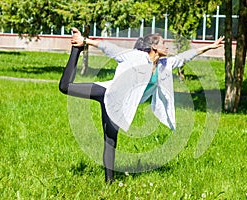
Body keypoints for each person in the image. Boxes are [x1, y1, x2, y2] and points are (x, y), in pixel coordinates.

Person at [59, 27, 224, 183]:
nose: (166, 46)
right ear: (153, 46)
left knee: (110, 140)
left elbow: (185, 57)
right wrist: (84, 40)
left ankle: (109, 183)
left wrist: (210, 46)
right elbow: (108, 47)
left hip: (119, 105)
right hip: (106, 92)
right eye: (163, 44)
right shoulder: (135, 57)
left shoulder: (164, 65)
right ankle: (76, 49)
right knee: (65, 87)